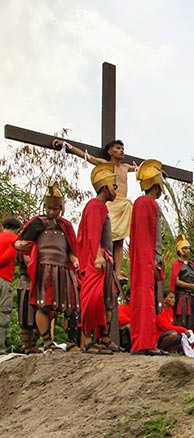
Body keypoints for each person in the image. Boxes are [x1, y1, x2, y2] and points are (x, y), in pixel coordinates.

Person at [54, 138, 135, 281]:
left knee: (120, 241)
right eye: (117, 148)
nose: (121, 150)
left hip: (123, 204)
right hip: (110, 204)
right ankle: (102, 262)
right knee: (107, 237)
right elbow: (86, 156)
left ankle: (117, 271)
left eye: (122, 148)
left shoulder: (126, 167)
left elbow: (144, 169)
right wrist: (67, 146)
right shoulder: (105, 164)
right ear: (110, 151)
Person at [14, 183, 80, 352]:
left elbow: (70, 250)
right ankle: (47, 342)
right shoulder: (37, 223)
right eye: (49, 208)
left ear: (61, 208)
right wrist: (22, 250)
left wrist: (75, 260)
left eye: (55, 209)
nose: (51, 212)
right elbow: (25, 244)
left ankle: (71, 342)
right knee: (43, 305)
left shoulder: (66, 226)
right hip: (43, 270)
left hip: (63, 270)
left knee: (70, 307)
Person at [77, 163, 119, 354]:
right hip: (96, 261)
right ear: (105, 187)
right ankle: (88, 340)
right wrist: (98, 256)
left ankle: (103, 337)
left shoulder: (101, 207)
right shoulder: (95, 206)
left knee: (107, 299)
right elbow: (93, 235)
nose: (116, 189)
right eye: (114, 185)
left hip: (104, 259)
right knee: (93, 300)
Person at [129, 159, 167, 355]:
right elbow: (145, 237)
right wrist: (152, 260)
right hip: (147, 260)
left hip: (147, 259)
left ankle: (146, 341)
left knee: (148, 300)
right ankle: (145, 343)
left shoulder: (144, 203)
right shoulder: (146, 203)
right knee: (146, 300)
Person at [169, 234, 194, 330]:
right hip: (182, 297)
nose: (187, 250)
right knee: (181, 321)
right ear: (180, 250)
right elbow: (176, 281)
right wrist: (192, 286)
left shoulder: (192, 265)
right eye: (185, 248)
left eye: (188, 248)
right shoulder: (176, 264)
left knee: (191, 322)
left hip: (192, 297)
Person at [0, 217, 22, 352]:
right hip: (4, 279)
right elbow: (7, 258)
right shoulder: (14, 241)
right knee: (3, 313)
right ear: (17, 229)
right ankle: (0, 348)